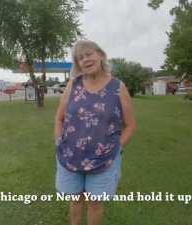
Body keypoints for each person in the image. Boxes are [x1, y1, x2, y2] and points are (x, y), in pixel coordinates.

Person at [54, 40, 136, 225]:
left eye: (89, 54)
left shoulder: (117, 87)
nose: (85, 60)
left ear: (100, 55)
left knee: (95, 204)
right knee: (75, 200)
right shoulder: (73, 84)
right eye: (80, 58)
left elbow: (130, 125)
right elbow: (59, 118)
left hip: (104, 160)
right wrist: (59, 142)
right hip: (69, 156)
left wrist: (116, 149)